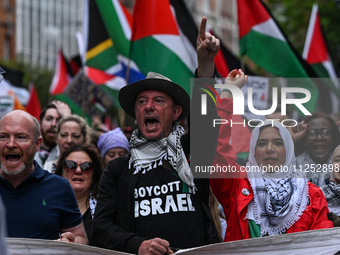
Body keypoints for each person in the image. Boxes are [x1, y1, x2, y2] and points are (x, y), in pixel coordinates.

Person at [92, 17, 220, 254]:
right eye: (142, 102)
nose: (149, 106)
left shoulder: (192, 153)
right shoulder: (119, 170)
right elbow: (100, 227)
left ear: (176, 113)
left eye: (159, 101)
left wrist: (205, 66)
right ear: (136, 113)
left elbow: (205, 121)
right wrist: (137, 245)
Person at [210, 69, 333, 242]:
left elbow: (323, 244)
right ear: (253, 151)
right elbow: (216, 149)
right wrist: (228, 92)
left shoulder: (312, 195)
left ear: (288, 149)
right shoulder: (236, 186)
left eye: (278, 142)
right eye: (261, 143)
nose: (269, 149)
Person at [0, 110, 87, 244]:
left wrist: (70, 243)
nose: (11, 144)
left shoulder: (60, 187)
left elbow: (80, 237)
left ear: (37, 144)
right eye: (3, 136)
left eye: (21, 137)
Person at [54, 144, 103, 246]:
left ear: (94, 175)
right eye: (70, 165)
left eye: (87, 167)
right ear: (61, 171)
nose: (78, 171)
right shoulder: (47, 203)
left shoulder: (104, 208)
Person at [291, 113, 340, 187]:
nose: (319, 138)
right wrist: (291, 139)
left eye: (326, 132)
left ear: (333, 137)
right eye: (312, 133)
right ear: (304, 138)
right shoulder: (291, 167)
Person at [34, 101, 71, 169]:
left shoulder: (69, 152)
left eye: (58, 120)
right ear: (40, 124)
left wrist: (67, 117)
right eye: (49, 119)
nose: (53, 124)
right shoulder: (28, 149)